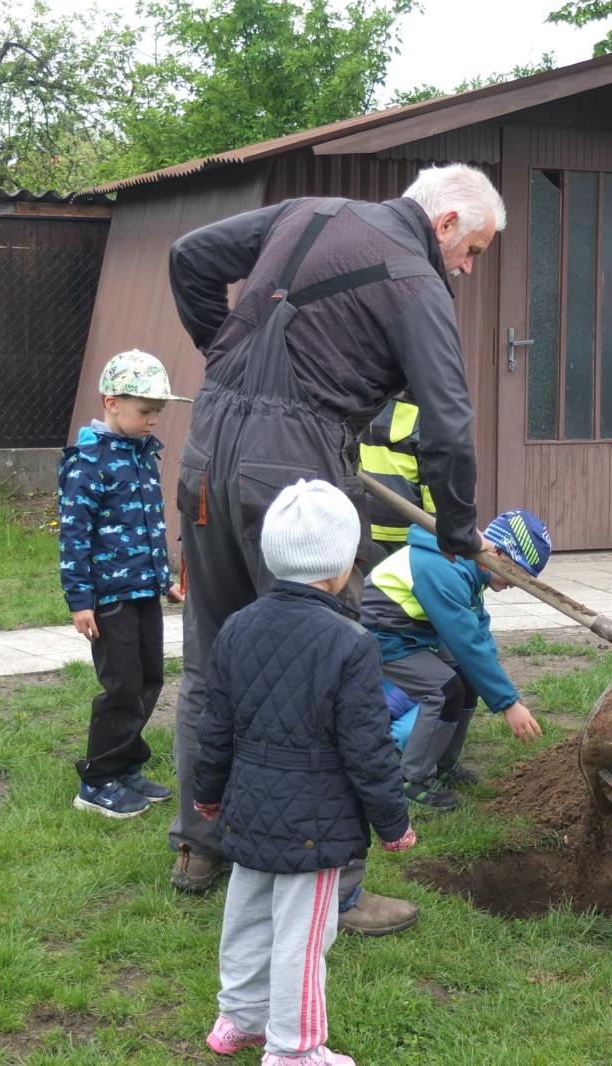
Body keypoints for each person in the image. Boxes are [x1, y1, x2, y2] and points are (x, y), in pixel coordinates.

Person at [165, 163, 504, 933]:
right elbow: (448, 426)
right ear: (447, 222)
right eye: (474, 251)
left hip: (207, 453)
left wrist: (222, 355)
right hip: (295, 472)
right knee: (331, 671)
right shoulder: (415, 280)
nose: (466, 269)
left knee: (211, 660)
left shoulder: (306, 211)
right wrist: (458, 531)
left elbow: (189, 256)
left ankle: (198, 847)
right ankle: (337, 886)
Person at [194, 479, 417, 1066]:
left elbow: (214, 726)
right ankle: (295, 1050)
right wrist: (393, 823)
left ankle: (238, 1019)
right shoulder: (351, 643)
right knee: (303, 937)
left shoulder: (237, 627)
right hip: (315, 827)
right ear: (341, 567)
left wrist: (209, 794)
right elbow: (369, 747)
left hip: (247, 808)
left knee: (246, 916)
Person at [59, 350, 189, 818]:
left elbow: (149, 526)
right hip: (109, 599)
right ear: (112, 403)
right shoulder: (89, 460)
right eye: (145, 410)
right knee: (121, 685)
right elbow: (74, 535)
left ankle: (126, 765)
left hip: (142, 592)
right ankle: (96, 782)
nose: (154, 419)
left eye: (158, 411)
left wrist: (163, 580)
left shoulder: (142, 453)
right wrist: (80, 601)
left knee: (150, 677)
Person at [361, 509, 551, 811]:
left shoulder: (467, 566)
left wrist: (503, 689)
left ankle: (442, 764)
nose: (516, 583)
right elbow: (466, 643)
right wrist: (507, 704)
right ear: (498, 554)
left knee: (467, 679)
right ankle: (413, 779)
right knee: (444, 690)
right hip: (384, 638)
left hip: (413, 634)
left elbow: (478, 633)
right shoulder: (443, 569)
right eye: (518, 573)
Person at [359, 390, 435, 562]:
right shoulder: (426, 423)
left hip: (366, 527)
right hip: (408, 533)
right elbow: (432, 490)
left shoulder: (363, 415)